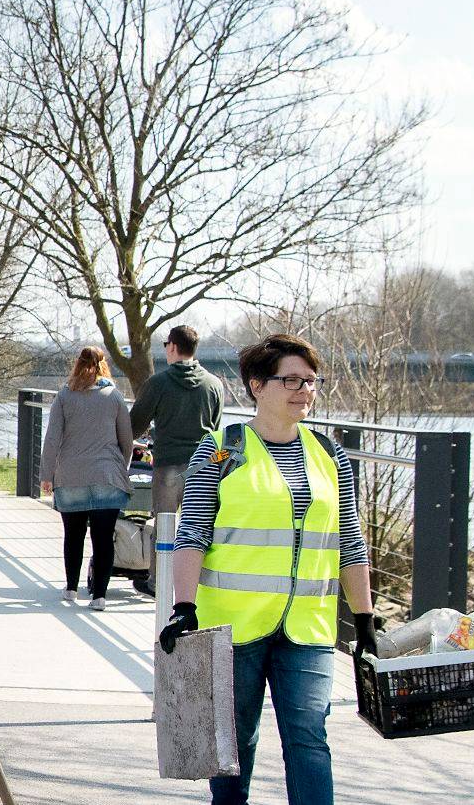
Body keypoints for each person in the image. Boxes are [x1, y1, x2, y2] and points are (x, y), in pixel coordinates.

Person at [159, 333, 376, 805]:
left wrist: (364, 620)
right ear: (257, 385)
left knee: (309, 738)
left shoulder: (331, 456)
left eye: (310, 381)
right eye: (291, 380)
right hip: (234, 625)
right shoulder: (221, 450)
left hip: (310, 628)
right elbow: (192, 532)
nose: (303, 390)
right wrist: (183, 606)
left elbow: (351, 543)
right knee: (235, 742)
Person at [38, 347, 133, 611]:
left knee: (73, 535)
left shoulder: (65, 396)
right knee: (103, 539)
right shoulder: (114, 396)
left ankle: (70, 588)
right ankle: (100, 596)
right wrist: (119, 467)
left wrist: (47, 475)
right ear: (104, 366)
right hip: (107, 476)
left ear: (77, 365)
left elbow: (52, 439)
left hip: (71, 476)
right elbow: (126, 439)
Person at [131, 325, 226, 516]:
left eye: (166, 344)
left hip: (168, 464)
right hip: (204, 467)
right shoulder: (214, 385)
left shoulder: (157, 383)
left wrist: (151, 433)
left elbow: (133, 426)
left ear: (173, 346)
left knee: (164, 533)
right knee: (200, 528)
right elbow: (216, 430)